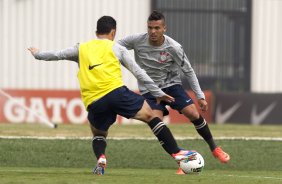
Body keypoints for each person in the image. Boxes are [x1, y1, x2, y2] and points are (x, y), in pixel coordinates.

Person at [28, 15, 196, 175]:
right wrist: (158, 92)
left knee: (99, 134)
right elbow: (139, 73)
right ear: (113, 33)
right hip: (117, 94)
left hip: (94, 101)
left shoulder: (81, 48)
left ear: (96, 33)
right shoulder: (117, 47)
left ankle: (101, 158)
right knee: (151, 116)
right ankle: (176, 153)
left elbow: (55, 55)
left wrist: (37, 53)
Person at [118, 11, 230, 173]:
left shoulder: (174, 47)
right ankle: (182, 162)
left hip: (172, 86)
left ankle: (214, 148)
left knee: (192, 112)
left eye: (157, 28)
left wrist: (200, 96)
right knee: (157, 124)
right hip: (150, 91)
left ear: (164, 28)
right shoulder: (137, 40)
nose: (153, 31)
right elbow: (114, 47)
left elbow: (189, 71)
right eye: (150, 28)